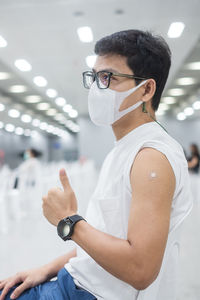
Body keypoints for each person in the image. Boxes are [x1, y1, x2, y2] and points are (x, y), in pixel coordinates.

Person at [0, 30, 193, 300]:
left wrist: (69, 222)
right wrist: (44, 270)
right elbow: (105, 242)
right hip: (73, 281)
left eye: (108, 78)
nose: (95, 88)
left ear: (146, 89)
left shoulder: (151, 157)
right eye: (94, 77)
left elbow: (141, 269)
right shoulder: (124, 148)